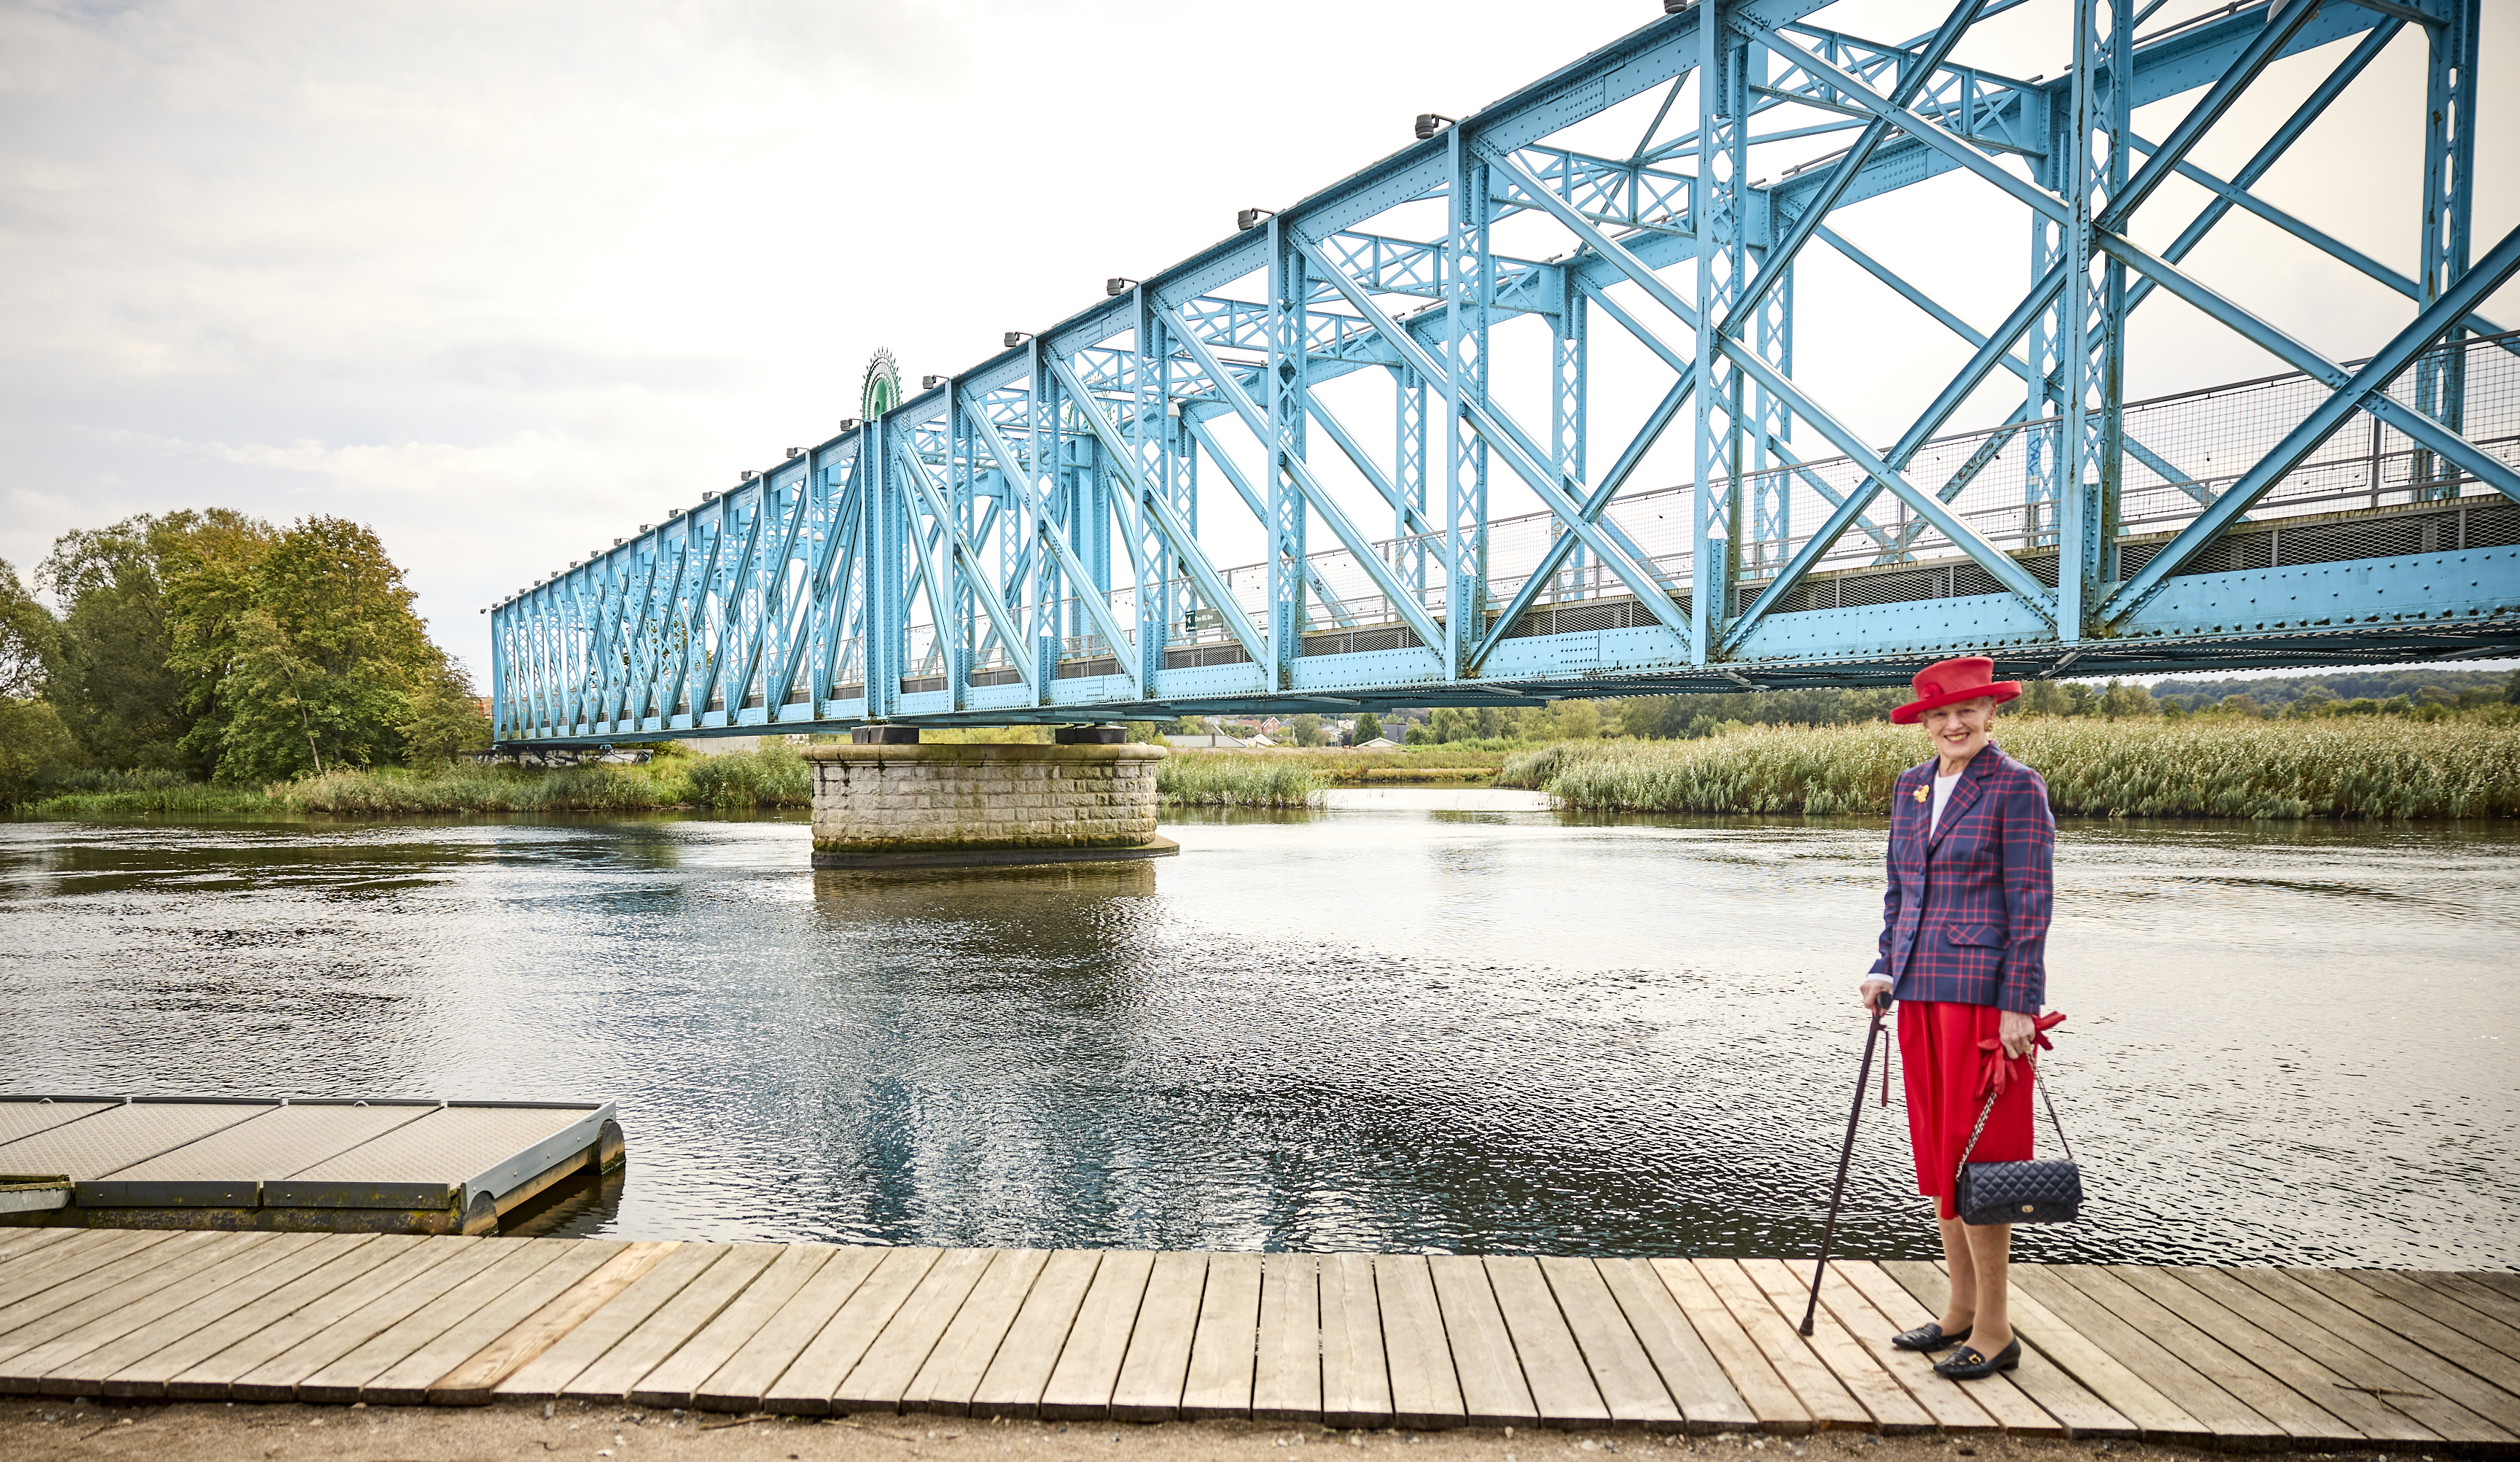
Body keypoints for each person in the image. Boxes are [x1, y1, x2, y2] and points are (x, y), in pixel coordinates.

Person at [1857, 656, 2055, 1381]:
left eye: (1967, 710)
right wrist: (1884, 965)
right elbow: (1898, 892)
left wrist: (2018, 1004)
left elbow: (2030, 905)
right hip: (1918, 991)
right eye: (1940, 714)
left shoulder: (2015, 787)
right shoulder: (1910, 787)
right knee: (1942, 1154)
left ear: (1990, 714)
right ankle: (1959, 1311)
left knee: (1984, 1162)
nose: (1953, 723)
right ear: (1924, 721)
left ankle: (1998, 1329)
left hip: (1982, 1001)